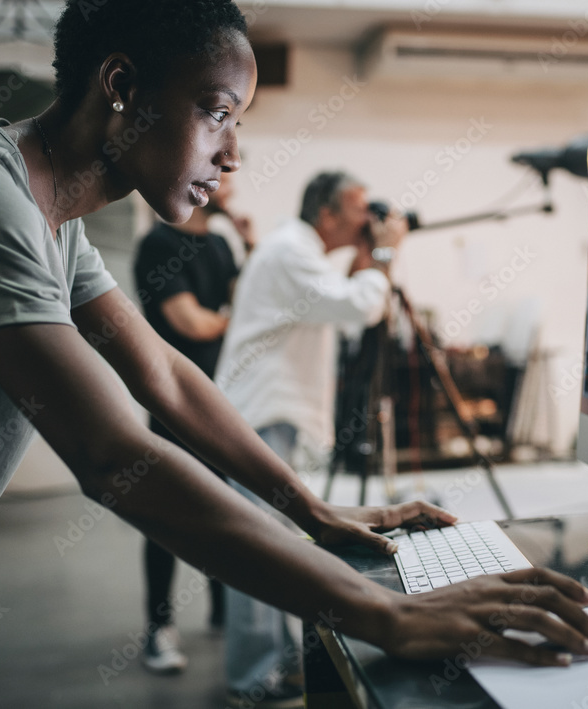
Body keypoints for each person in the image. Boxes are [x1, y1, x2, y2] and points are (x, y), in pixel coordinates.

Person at [0, 2, 588, 707]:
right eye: (218, 112)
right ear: (121, 87)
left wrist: (310, 509)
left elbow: (167, 378)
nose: (234, 154)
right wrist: (385, 613)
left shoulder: (53, 225)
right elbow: (109, 451)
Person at [213, 171, 406, 706]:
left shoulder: (299, 251)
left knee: (274, 541)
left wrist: (372, 259)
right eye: (359, 208)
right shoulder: (287, 252)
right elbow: (357, 307)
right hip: (259, 416)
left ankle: (272, 664)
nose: (369, 219)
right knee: (257, 545)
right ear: (326, 214)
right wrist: (386, 257)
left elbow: (350, 307)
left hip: (268, 415)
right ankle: (253, 678)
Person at [132, 171, 253, 674]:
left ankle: (227, 613)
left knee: (226, 506)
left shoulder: (223, 247)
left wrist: (249, 245)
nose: (232, 185)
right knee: (168, 513)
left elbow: (244, 300)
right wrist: (234, 316)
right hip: (174, 402)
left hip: (223, 400)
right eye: (222, 178)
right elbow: (192, 322)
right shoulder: (158, 245)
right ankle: (159, 628)